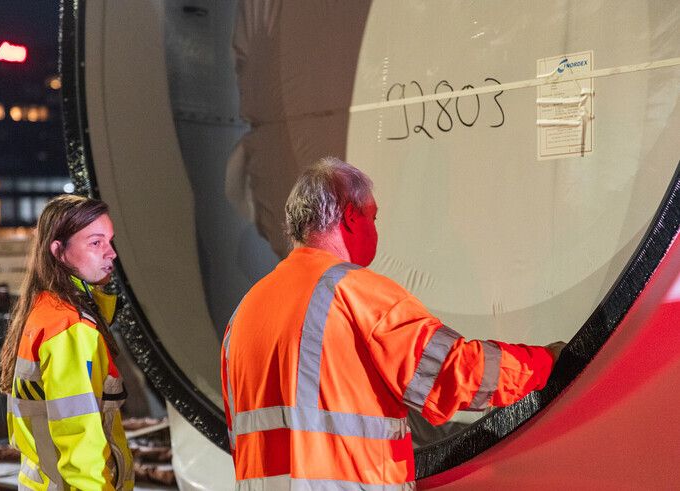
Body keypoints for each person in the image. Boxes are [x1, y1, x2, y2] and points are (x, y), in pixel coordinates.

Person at [221, 157, 566, 489]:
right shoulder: (358, 295)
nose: (375, 229)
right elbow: (454, 372)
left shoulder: (244, 314)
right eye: (373, 217)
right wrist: (544, 363)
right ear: (350, 218)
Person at [0, 194, 134, 490]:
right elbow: (80, 443)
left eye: (110, 241)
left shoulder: (45, 311)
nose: (111, 253)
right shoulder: (71, 329)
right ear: (58, 251)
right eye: (96, 243)